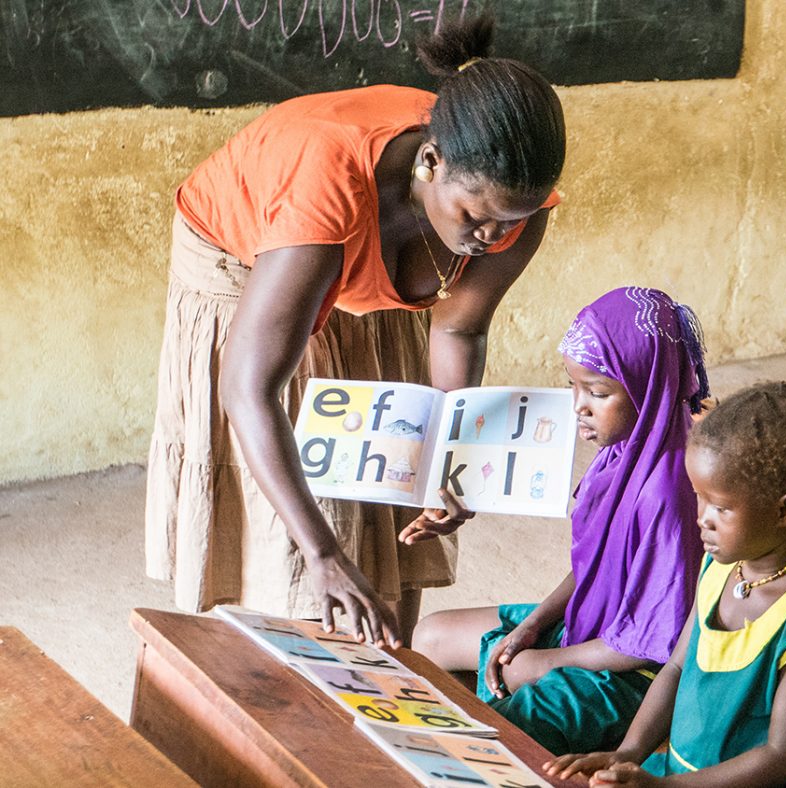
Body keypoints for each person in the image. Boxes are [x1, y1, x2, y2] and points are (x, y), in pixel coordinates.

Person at [144, 13, 565, 646]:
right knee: (294, 529)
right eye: (477, 217)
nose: (492, 237)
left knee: (394, 463)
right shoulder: (323, 186)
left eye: (512, 221)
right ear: (430, 163)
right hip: (242, 256)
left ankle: (372, 648)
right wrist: (322, 554)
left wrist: (449, 461)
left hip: (358, 240)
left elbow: (458, 332)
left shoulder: (507, 202)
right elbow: (247, 390)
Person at [412, 286, 710, 755]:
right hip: (590, 625)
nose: (577, 406)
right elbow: (594, 566)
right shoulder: (623, 450)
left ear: (648, 388)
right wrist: (534, 623)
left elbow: (648, 644)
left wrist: (545, 663)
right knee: (431, 636)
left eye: (598, 392)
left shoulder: (669, 495)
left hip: (636, 675)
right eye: (574, 385)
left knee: (504, 731)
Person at [546, 382, 786, 786]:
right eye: (699, 496)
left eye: (722, 507)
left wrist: (663, 787)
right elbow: (676, 668)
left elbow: (781, 757)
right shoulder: (719, 568)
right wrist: (627, 754)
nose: (702, 518)